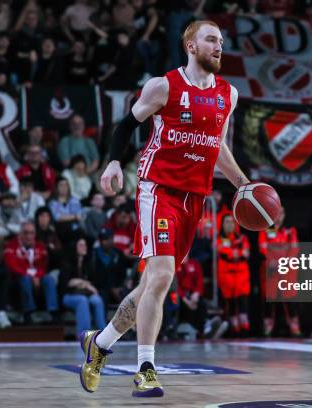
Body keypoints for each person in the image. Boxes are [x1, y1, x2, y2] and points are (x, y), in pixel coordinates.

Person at [79, 20, 250, 397]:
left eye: (221, 41)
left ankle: (101, 343)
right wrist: (111, 163)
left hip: (195, 198)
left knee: (150, 286)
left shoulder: (228, 95)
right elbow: (126, 125)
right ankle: (145, 368)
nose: (219, 46)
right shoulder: (164, 86)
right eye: (211, 39)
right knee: (160, 276)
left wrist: (244, 184)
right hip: (158, 189)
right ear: (190, 45)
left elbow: (217, 146)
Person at [3, 221, 59, 324]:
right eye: (25, 233)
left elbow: (44, 265)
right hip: (17, 278)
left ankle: (53, 312)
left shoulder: (40, 246)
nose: (29, 236)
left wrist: (37, 276)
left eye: (32, 233)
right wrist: (31, 275)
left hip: (37, 276)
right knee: (25, 280)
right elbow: (12, 266)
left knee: (49, 279)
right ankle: (28, 313)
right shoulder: (11, 246)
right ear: (20, 233)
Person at [259, 206, 301, 337]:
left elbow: (294, 249)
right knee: (269, 300)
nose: (279, 216)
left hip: (286, 270)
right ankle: (268, 327)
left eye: (281, 213)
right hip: (270, 270)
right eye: (276, 213)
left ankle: (294, 327)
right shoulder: (265, 230)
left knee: (290, 299)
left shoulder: (290, 231)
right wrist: (274, 261)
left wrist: (283, 262)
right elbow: (263, 247)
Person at [60, 237, 106, 338]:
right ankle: (84, 336)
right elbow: (68, 283)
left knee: (97, 300)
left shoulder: (88, 263)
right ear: (75, 247)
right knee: (82, 300)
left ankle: (104, 334)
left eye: (85, 245)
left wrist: (81, 283)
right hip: (69, 295)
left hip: (85, 293)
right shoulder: (67, 262)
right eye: (81, 245)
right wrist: (85, 283)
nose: (84, 247)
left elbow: (93, 282)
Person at [216, 213, 251, 337]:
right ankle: (233, 330)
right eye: (227, 222)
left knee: (242, 302)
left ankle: (245, 329)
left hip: (241, 275)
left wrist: (232, 253)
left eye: (232, 222)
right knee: (229, 303)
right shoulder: (219, 238)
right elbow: (222, 252)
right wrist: (237, 253)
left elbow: (246, 253)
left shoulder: (242, 238)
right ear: (222, 224)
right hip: (226, 275)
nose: (230, 224)